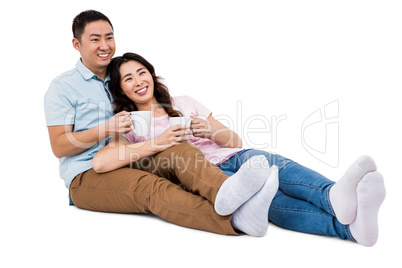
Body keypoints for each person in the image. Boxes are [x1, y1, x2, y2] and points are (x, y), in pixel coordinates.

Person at [94, 52, 386, 246]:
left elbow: (234, 141)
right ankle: (349, 228)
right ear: (121, 90)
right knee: (273, 207)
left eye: (141, 72)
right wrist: (156, 144)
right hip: (213, 178)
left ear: (152, 75)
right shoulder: (128, 124)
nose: (138, 81)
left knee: (276, 166)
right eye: (128, 79)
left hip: (237, 159)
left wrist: (210, 130)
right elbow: (103, 163)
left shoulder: (184, 101)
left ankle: (332, 196)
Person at [44, 10, 279, 236]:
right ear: (77, 44)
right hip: (88, 174)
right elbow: (59, 147)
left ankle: (224, 192)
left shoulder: (122, 76)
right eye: (95, 39)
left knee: (180, 150)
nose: (104, 45)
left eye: (109, 37)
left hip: (133, 157)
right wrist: (106, 128)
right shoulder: (63, 87)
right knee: (150, 189)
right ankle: (236, 220)